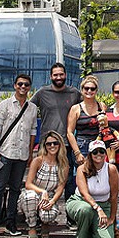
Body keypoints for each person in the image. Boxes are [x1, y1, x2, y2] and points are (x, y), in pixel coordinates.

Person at [0, 73, 37, 238]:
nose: (23, 87)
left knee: (15, 189)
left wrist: (30, 153)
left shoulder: (32, 108)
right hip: (5, 153)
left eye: (26, 85)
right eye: (20, 84)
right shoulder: (4, 105)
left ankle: (10, 222)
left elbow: (32, 132)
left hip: (21, 155)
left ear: (30, 87)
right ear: (15, 85)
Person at [30, 63, 82, 204]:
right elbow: (27, 108)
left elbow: (88, 106)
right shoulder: (42, 93)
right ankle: (40, 211)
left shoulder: (74, 93)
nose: (58, 77)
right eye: (55, 75)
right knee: (41, 177)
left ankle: (70, 216)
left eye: (61, 74)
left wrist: (102, 107)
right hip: (46, 144)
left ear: (65, 75)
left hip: (67, 143)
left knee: (69, 180)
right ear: (51, 76)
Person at [65, 140, 119, 238]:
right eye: (95, 152)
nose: (98, 154)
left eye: (102, 151)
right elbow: (85, 194)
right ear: (90, 154)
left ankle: (91, 230)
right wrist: (98, 209)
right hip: (81, 202)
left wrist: (112, 218)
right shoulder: (82, 169)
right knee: (86, 210)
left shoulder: (111, 169)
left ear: (106, 153)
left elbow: (114, 196)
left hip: (103, 205)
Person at [18, 130, 68, 238]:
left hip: (50, 196)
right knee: (30, 197)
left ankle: (45, 223)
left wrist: (52, 201)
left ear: (60, 145)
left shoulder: (64, 165)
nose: (52, 146)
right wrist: (42, 191)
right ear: (44, 146)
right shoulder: (38, 161)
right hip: (34, 193)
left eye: (55, 143)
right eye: (48, 144)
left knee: (47, 214)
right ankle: (32, 227)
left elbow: (60, 188)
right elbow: (28, 184)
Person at [67, 75, 107, 165]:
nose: (89, 91)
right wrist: (77, 153)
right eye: (86, 88)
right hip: (82, 145)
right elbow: (69, 132)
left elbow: (105, 126)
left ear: (96, 91)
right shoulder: (75, 108)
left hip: (98, 144)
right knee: (83, 174)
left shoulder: (102, 106)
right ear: (82, 90)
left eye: (92, 89)